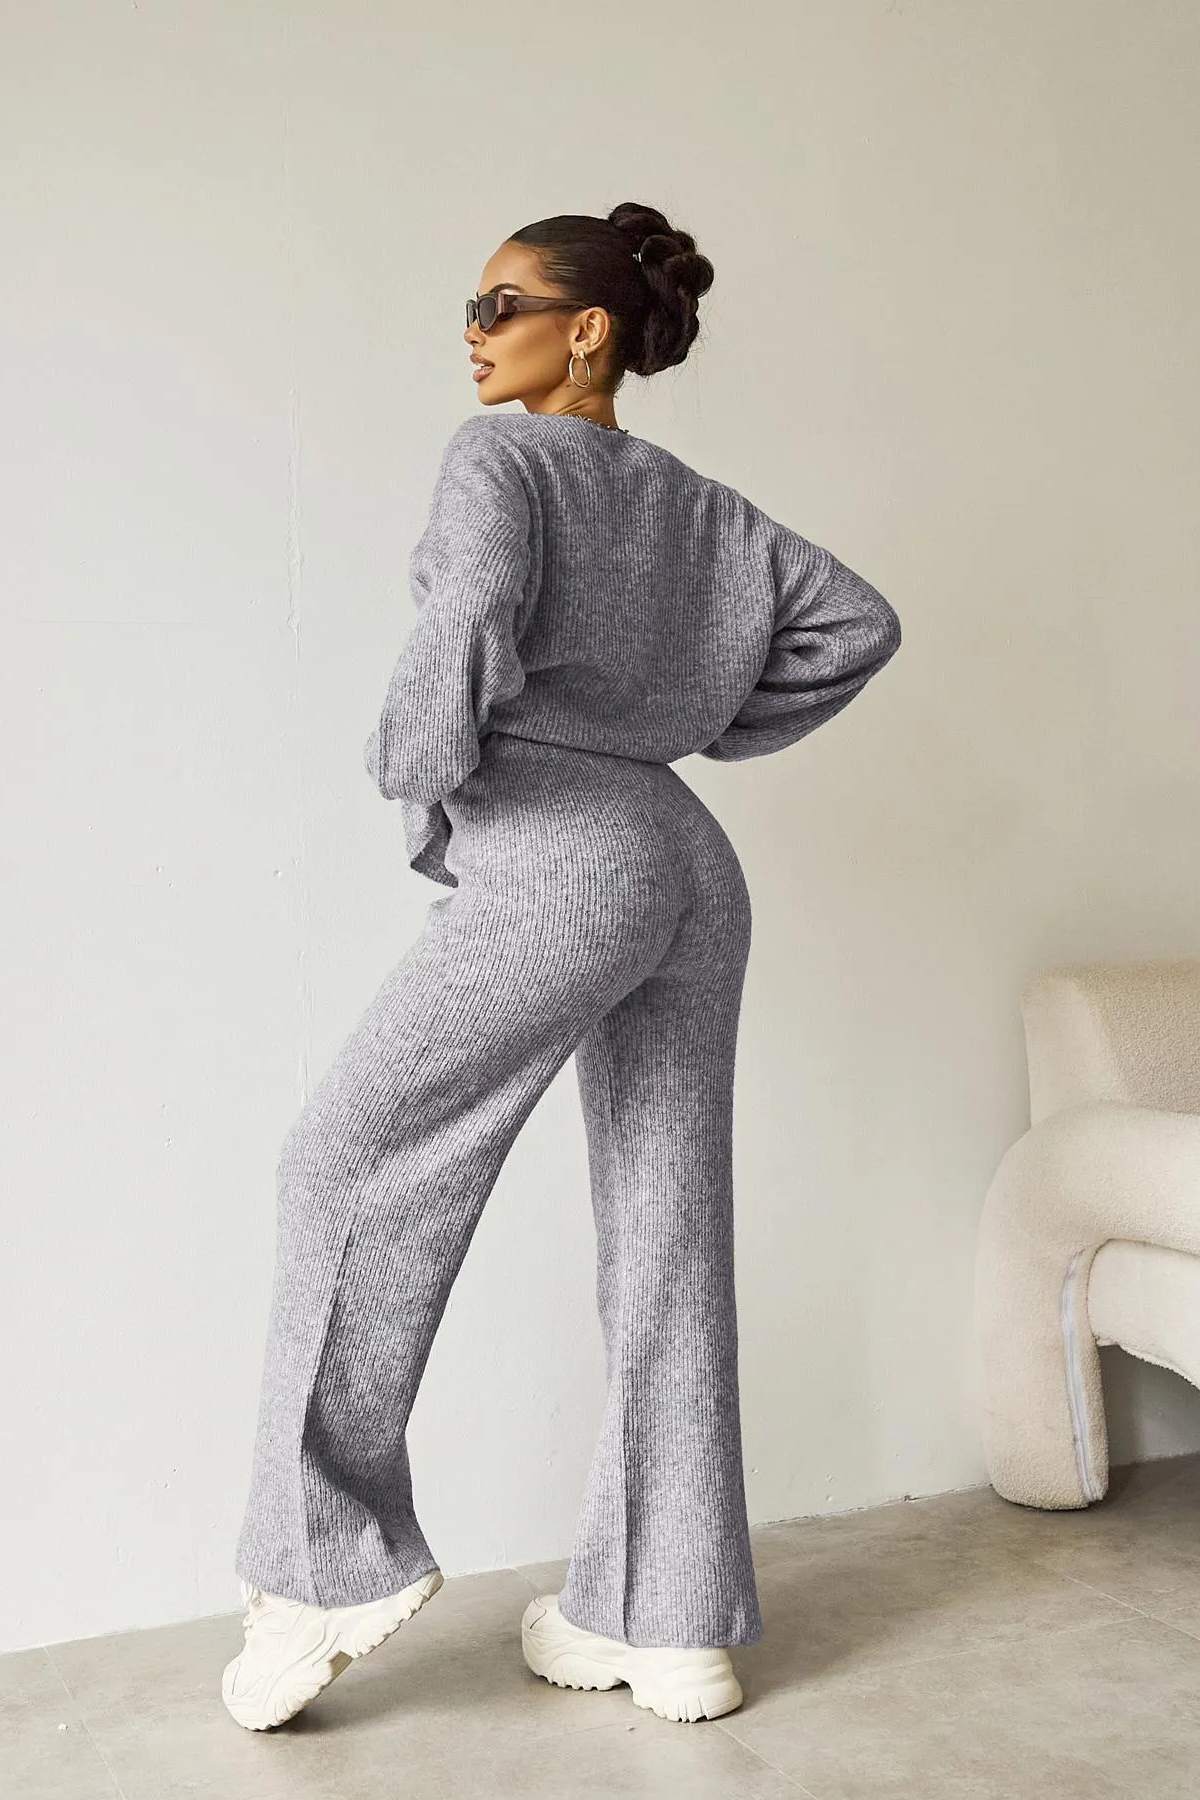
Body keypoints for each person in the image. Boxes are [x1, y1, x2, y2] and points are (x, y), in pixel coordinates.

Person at [221, 201, 902, 1733]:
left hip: (563, 857)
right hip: (687, 861)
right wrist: (696, 726)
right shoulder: (701, 508)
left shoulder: (501, 461)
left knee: (340, 1161)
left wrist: (419, 766)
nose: (471, 332)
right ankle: (665, 1619)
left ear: (585, 331)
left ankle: (323, 1567)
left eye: (499, 303)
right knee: (669, 1225)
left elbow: (468, 614)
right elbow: (856, 624)